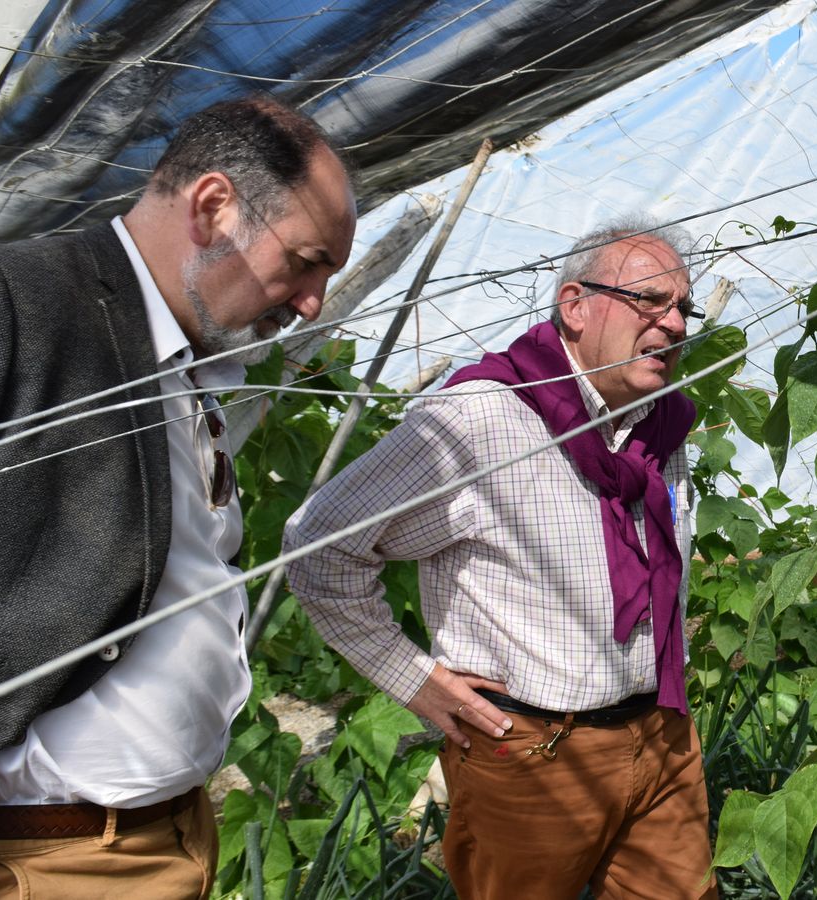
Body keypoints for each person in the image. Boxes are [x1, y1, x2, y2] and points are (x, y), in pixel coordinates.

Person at [0, 96, 356, 898]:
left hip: (169, 833)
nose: (312, 302)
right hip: (32, 857)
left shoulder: (186, 365)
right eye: (307, 261)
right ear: (214, 207)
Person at [283, 218, 717, 899]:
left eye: (684, 307)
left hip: (661, 733)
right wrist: (412, 678)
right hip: (534, 752)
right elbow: (320, 544)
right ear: (575, 305)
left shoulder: (660, 425)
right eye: (650, 301)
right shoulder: (483, 418)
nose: (677, 323)